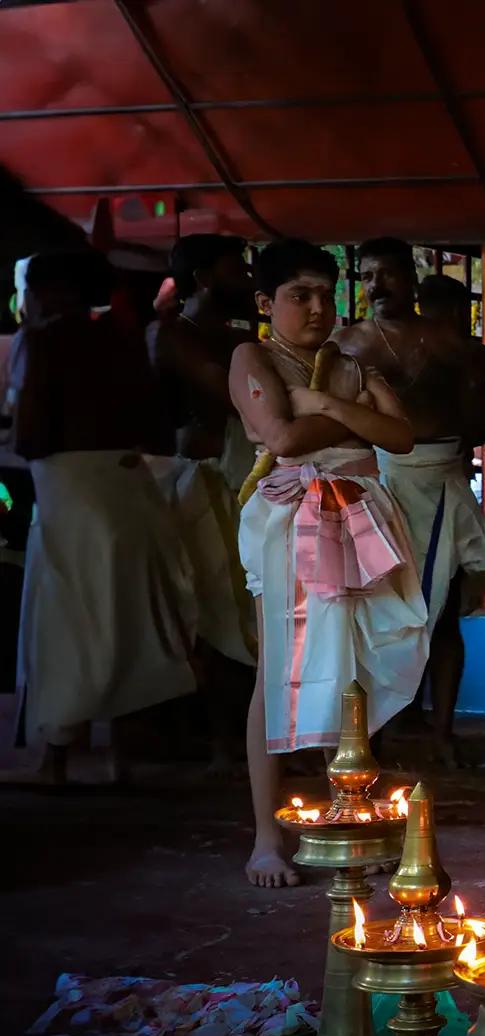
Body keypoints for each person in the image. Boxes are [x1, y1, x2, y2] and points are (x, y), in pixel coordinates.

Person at [231, 239, 428, 886]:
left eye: (325, 294)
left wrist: (327, 405)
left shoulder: (341, 361)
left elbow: (401, 436)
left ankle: (353, 816)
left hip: (361, 510)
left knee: (354, 664)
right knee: (279, 666)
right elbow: (282, 439)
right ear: (266, 303)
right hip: (293, 519)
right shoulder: (251, 357)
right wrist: (355, 418)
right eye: (299, 296)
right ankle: (265, 839)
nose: (318, 308)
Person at [3, 250, 196, 785]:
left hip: (68, 489)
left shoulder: (40, 341)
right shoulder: (118, 340)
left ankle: (56, 759)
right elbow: (153, 424)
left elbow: (30, 434)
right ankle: (121, 756)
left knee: (66, 619)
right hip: (124, 484)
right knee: (124, 614)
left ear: (40, 293)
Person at [335, 240, 485, 767]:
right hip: (378, 484)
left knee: (443, 619)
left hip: (440, 485)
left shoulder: (443, 339)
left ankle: (442, 732)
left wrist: (459, 382)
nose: (377, 286)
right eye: (367, 276)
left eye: (387, 274)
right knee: (372, 613)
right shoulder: (347, 344)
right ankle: (372, 734)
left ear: (409, 280)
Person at [147, 235, 259, 771]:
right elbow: (234, 395)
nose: (248, 277)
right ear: (203, 278)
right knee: (213, 609)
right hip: (195, 482)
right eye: (237, 267)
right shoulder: (172, 336)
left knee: (242, 608)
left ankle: (238, 740)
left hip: (242, 482)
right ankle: (218, 743)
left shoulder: (237, 336)